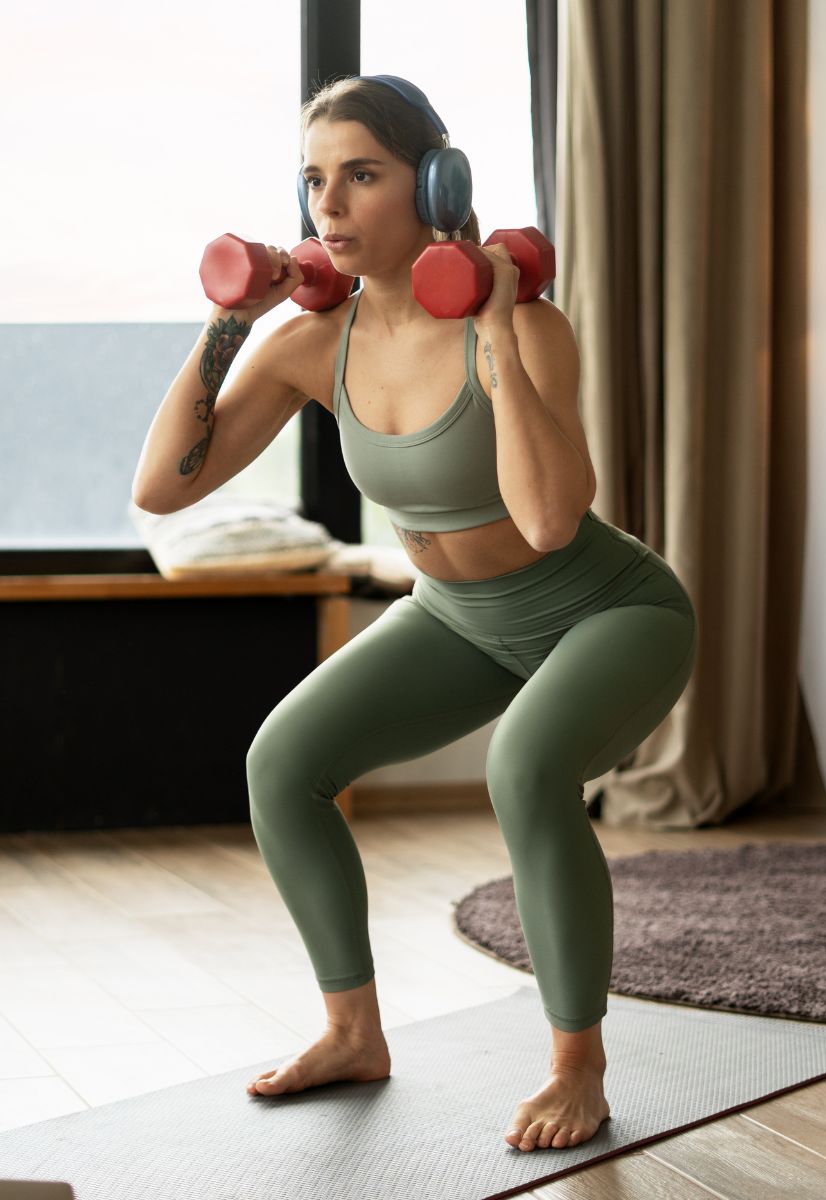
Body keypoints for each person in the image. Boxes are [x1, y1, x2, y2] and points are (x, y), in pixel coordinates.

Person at [132, 75, 697, 1154]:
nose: (329, 207)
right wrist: (225, 322)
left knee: (526, 770)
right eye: (313, 181)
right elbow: (166, 485)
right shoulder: (312, 344)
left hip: (607, 612)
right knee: (282, 761)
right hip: (458, 618)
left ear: (434, 182)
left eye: (360, 175)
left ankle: (577, 1062)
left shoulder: (528, 323)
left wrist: (489, 326)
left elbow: (544, 521)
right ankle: (353, 1031)